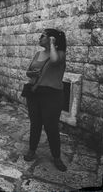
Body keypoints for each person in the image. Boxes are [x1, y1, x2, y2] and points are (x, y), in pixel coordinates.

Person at [23, 28, 68, 172]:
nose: (39, 38)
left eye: (42, 36)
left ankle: (56, 157)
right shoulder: (38, 54)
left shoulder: (60, 54)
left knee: (51, 127)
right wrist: (31, 73)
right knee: (35, 123)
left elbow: (54, 61)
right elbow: (28, 71)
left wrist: (53, 44)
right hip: (35, 93)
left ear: (51, 39)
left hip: (52, 96)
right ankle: (32, 150)